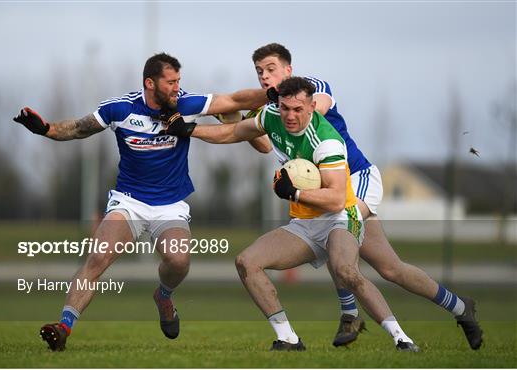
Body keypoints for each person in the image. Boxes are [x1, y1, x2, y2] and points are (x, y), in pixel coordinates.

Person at [12, 53, 270, 352]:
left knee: (179, 261)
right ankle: (64, 326)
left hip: (170, 204)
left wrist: (273, 93)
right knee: (97, 259)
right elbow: (79, 128)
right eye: (171, 82)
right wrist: (46, 129)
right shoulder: (120, 109)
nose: (177, 88)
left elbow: (236, 100)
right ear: (150, 83)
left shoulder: (186, 104)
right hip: (129, 202)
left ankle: (163, 296)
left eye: (178, 81)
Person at [244, 43, 482, 350]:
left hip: (356, 181)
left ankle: (351, 313)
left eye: (271, 68)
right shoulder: (278, 112)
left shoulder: (311, 92)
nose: (264, 76)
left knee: (335, 233)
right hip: (327, 194)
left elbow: (319, 108)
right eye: (259, 71)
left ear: (288, 69)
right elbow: (264, 144)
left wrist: (266, 112)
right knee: (391, 268)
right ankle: (461, 307)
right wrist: (241, 123)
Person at [168, 76, 420, 352]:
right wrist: (190, 130)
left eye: (298, 109)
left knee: (345, 271)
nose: (289, 115)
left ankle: (401, 338)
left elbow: (336, 199)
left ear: (312, 107)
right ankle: (288, 338)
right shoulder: (272, 115)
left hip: (341, 218)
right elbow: (235, 132)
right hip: (306, 223)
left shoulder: (327, 142)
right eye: (285, 107)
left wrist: (295, 193)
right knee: (247, 262)